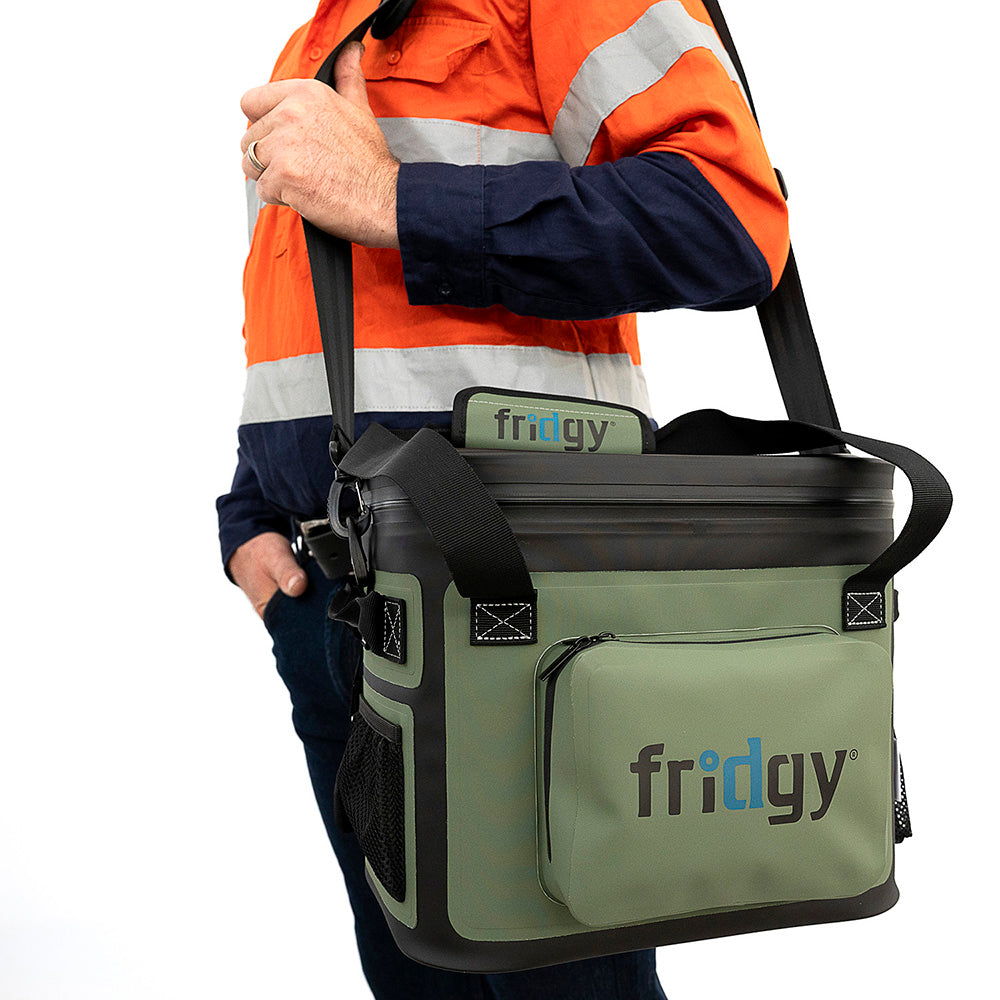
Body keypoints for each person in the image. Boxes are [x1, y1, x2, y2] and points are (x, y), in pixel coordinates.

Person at [218, 1, 789, 996]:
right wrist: (251, 512)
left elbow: (729, 222)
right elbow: (315, 316)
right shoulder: (326, 26)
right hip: (330, 604)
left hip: (508, 608)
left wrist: (394, 197)